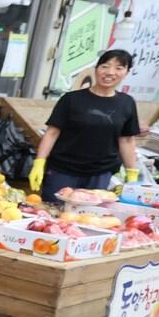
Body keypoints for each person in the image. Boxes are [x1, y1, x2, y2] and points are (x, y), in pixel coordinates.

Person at [30, 49, 141, 202]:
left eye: (118, 68)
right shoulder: (71, 99)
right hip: (62, 171)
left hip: (100, 174)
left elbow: (127, 140)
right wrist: (39, 162)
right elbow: (52, 133)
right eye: (105, 66)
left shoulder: (127, 103)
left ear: (127, 72)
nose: (110, 72)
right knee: (53, 214)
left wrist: (132, 174)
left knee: (87, 217)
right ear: (96, 69)